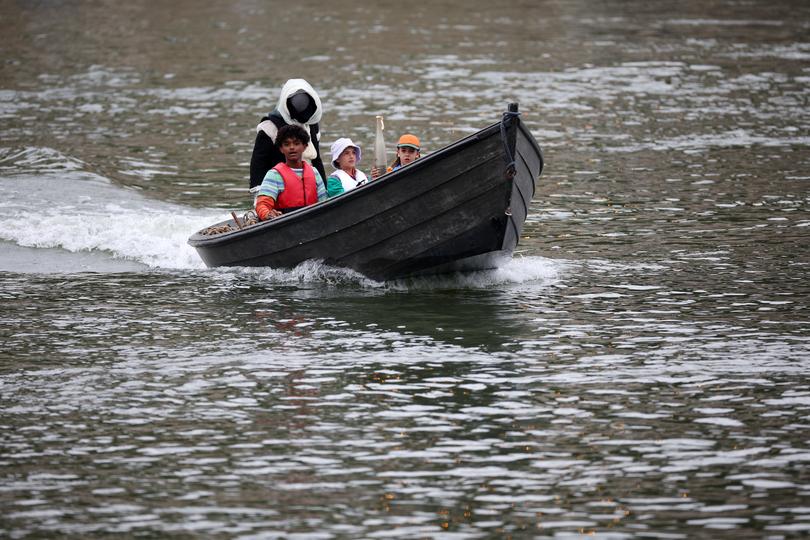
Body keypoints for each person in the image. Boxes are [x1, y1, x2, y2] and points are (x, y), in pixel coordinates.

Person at [249, 79, 327, 196]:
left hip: (309, 184)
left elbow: (316, 160)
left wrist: (324, 190)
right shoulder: (269, 127)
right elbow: (258, 163)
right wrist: (259, 195)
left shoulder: (311, 125)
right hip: (278, 188)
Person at [255, 125, 327, 221]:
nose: (292, 147)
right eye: (287, 144)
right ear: (281, 149)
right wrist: (268, 215)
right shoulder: (274, 175)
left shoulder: (314, 173)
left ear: (305, 146)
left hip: (313, 222)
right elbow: (262, 205)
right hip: (284, 224)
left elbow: (324, 203)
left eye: (296, 143)